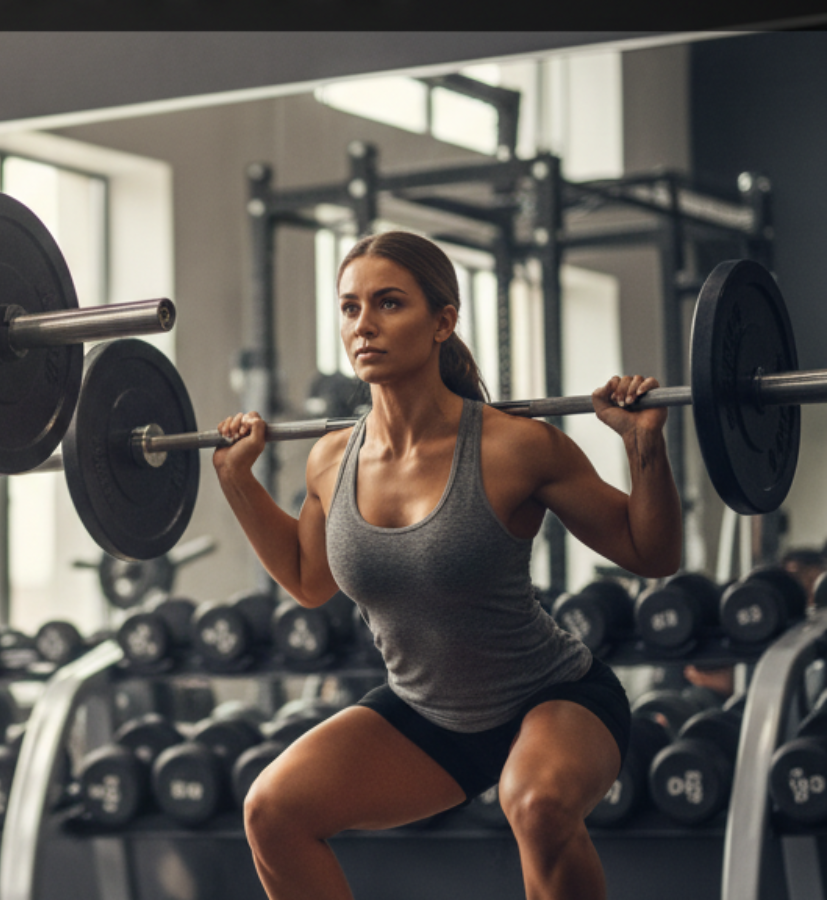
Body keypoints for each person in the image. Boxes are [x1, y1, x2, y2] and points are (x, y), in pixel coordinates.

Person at [216, 231, 680, 900]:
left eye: (389, 303)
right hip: (429, 716)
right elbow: (306, 580)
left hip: (553, 698)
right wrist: (237, 481)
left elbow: (652, 554)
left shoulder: (516, 447)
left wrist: (644, 448)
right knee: (272, 811)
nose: (364, 325)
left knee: (538, 806)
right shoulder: (329, 459)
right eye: (350, 308)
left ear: (443, 322)